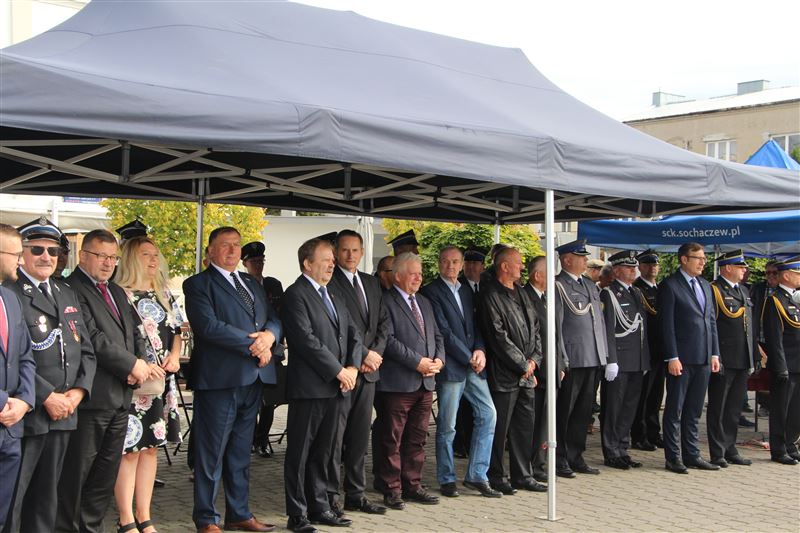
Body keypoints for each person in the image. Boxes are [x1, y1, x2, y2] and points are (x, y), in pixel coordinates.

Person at [183, 226, 282, 533]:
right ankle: (207, 519)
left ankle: (239, 513)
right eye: (225, 245)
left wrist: (269, 337)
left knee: (240, 452)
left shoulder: (250, 283)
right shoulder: (198, 284)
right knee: (211, 454)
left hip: (253, 378)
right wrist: (255, 346)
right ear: (210, 250)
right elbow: (209, 327)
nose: (232, 250)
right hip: (220, 380)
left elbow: (273, 318)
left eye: (236, 245)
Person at [4, 219, 96, 533]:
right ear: (22, 253)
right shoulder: (11, 292)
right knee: (16, 497)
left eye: (53, 251)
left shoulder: (66, 292)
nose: (46, 257)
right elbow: (15, 358)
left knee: (49, 496)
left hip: (66, 412)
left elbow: (86, 349)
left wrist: (78, 393)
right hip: (31, 412)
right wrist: (47, 396)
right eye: (37, 250)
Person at [57, 229, 151, 533]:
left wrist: (139, 363)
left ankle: (92, 529)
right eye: (101, 256)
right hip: (92, 399)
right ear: (83, 255)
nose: (109, 263)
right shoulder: (70, 289)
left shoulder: (115, 291)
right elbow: (91, 337)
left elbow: (133, 332)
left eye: (113, 257)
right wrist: (131, 364)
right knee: (77, 477)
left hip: (120, 397)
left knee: (103, 479)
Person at [281, 237, 362, 532]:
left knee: (325, 452)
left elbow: (354, 333)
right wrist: (339, 371)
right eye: (326, 259)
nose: (332, 264)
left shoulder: (334, 294)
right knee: (300, 452)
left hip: (338, 387)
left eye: (332, 260)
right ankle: (297, 514)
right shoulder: (296, 295)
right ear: (307, 263)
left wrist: (352, 367)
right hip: (310, 388)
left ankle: (320, 507)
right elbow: (306, 341)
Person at [113, 236, 184, 533]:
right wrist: (140, 363)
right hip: (134, 383)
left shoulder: (164, 293)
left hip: (160, 385)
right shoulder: (119, 294)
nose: (154, 260)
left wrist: (175, 356)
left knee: (151, 448)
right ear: (131, 258)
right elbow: (116, 339)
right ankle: (126, 518)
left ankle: (145, 516)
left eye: (156, 254)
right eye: (146, 255)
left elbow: (178, 331)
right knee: (129, 450)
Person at [421, 246, 499, 498]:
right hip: (453, 366)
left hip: (473, 364)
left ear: (462, 264)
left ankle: (477, 474)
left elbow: (476, 326)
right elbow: (443, 331)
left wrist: (480, 350)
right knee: (448, 426)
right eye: (445, 261)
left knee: (488, 414)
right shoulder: (431, 291)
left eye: (455, 262)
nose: (450, 266)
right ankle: (447, 478)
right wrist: (469, 357)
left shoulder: (466, 290)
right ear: (438, 263)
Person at [326, 230, 389, 516]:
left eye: (355, 250)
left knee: (360, 436)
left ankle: (356, 494)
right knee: (335, 438)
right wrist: (363, 354)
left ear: (363, 252)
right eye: (345, 250)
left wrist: (375, 354)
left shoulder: (371, 282)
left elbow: (384, 323)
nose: (350, 255)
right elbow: (341, 326)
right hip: (345, 371)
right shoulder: (330, 281)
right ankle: (330, 497)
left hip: (369, 372)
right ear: (336, 252)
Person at [375, 252, 444, 510]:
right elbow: (389, 341)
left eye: (420, 274)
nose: (418, 278)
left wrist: (439, 360)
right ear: (398, 275)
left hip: (425, 383)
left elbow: (437, 335)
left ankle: (412, 484)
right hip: (398, 383)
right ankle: (391, 487)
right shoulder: (385, 301)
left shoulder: (424, 302)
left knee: (417, 438)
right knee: (392, 439)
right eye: (413, 273)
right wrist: (417, 362)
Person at [479, 247, 544, 494]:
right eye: (518, 263)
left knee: (524, 427)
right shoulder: (490, 295)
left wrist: (534, 360)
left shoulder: (522, 292)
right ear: (504, 266)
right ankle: (497, 475)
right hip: (505, 374)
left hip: (526, 373)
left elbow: (535, 328)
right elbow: (498, 337)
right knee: (501, 429)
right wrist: (522, 364)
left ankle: (523, 475)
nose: (522, 266)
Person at [659, 242, 721, 474]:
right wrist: (672, 356)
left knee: (694, 410)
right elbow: (667, 326)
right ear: (684, 259)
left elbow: (711, 321)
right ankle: (673, 457)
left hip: (703, 356)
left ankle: (692, 454)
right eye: (698, 258)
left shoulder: (705, 285)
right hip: (682, 358)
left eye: (704, 258)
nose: (703, 262)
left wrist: (714, 353)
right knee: (675, 409)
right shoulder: (670, 285)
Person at [553, 239, 608, 477]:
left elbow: (599, 321)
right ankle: (560, 458)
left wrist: (604, 354)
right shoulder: (558, 285)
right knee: (565, 411)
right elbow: (556, 326)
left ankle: (576, 456)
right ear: (567, 260)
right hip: (573, 358)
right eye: (581, 257)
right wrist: (561, 358)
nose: (586, 260)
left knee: (583, 412)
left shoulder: (589, 284)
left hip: (592, 356)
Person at [598, 250, 649, 470]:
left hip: (636, 359)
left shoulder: (636, 292)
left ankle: (622, 447)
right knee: (614, 407)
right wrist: (611, 359)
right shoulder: (608, 294)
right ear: (617, 271)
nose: (633, 271)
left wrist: (644, 359)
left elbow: (641, 328)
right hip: (619, 359)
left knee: (629, 407)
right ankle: (611, 451)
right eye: (629, 268)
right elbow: (608, 328)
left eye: (634, 267)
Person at [0, 224, 35, 532]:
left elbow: (25, 355)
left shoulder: (10, 299)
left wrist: (24, 400)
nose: (21, 262)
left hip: (12, 427)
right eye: (15, 254)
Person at [706, 250, 755, 468]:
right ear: (727, 268)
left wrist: (754, 355)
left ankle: (730, 447)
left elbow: (749, 327)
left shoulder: (743, 290)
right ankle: (717, 451)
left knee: (734, 408)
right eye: (740, 267)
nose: (744, 270)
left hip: (742, 357)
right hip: (724, 357)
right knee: (719, 407)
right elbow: (711, 325)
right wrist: (714, 354)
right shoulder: (714, 290)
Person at [522, 255, 566, 483]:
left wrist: (561, 364)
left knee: (547, 421)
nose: (554, 278)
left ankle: (541, 462)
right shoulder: (525, 297)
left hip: (552, 367)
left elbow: (557, 334)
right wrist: (534, 366)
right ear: (538, 275)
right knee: (536, 421)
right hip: (537, 371)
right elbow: (529, 338)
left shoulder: (549, 297)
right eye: (549, 272)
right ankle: (534, 464)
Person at [241, 241, 285, 459]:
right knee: (250, 399)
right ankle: (249, 439)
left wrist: (276, 341)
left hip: (273, 349)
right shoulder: (241, 284)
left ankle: (262, 440)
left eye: (261, 261)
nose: (258, 265)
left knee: (269, 400)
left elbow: (281, 314)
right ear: (245, 263)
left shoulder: (273, 285)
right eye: (254, 261)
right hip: (251, 349)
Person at [762, 256, 800, 465]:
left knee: (795, 409)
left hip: (798, 364)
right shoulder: (775, 300)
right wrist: (780, 366)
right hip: (785, 365)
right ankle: (778, 449)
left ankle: (791, 444)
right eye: (797, 274)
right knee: (781, 409)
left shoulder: (795, 299)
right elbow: (774, 338)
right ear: (786, 276)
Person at [631, 249, 664, 451]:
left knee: (656, 395)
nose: (653, 268)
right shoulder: (637, 289)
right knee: (643, 396)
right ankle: (639, 434)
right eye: (648, 264)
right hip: (645, 349)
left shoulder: (660, 289)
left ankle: (653, 432)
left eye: (655, 264)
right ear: (641, 267)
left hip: (659, 350)